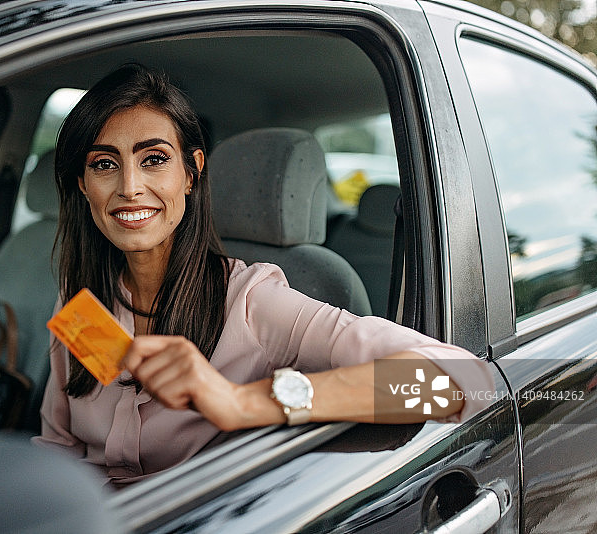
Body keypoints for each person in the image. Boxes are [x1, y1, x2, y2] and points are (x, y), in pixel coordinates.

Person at [33, 64, 492, 486]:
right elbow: (58, 451)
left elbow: (463, 380)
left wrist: (241, 402)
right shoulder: (79, 302)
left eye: (154, 159)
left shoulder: (252, 303)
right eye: (104, 164)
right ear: (82, 183)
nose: (129, 187)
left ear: (191, 174)